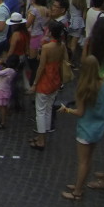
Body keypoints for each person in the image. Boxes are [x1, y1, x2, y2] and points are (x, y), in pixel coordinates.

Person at [59, 55, 104, 201]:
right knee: (88, 160)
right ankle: (78, 184)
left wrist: (67, 110)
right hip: (98, 127)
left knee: (83, 161)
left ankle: (77, 191)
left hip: (85, 128)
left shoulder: (83, 89)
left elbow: (80, 112)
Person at [29, 21, 67, 150]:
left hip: (45, 81)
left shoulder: (46, 48)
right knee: (48, 109)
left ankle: (41, 140)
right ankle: (42, 137)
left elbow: (41, 67)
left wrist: (34, 83)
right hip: (55, 80)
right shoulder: (61, 46)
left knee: (40, 111)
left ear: (50, 32)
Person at [0, 55, 20, 129]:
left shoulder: (8, 70)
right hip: (6, 90)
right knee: (2, 106)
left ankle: (3, 122)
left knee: (2, 107)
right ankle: (3, 117)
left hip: (2, 90)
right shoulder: (13, 71)